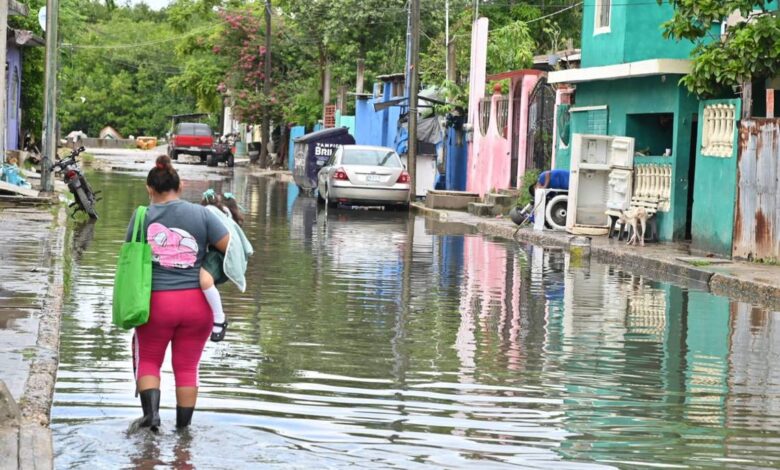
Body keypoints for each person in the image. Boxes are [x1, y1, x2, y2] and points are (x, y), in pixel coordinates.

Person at [127, 155, 230, 431]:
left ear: (149, 189)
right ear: (180, 186)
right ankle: (183, 432)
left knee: (149, 360)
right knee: (187, 368)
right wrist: (207, 269)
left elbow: (130, 258)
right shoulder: (203, 214)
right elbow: (230, 249)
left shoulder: (141, 217)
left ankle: (151, 418)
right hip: (197, 305)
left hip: (156, 305)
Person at [199, 189, 253, 342]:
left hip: (219, 255)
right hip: (215, 253)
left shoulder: (212, 212)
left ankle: (219, 318)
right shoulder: (221, 215)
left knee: (205, 280)